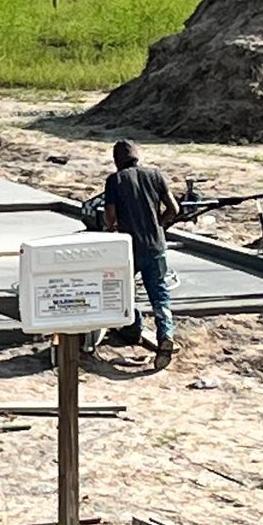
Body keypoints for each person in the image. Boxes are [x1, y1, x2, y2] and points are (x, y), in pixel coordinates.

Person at [103, 137, 181, 368]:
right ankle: (165, 334)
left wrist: (110, 228)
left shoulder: (115, 180)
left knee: (123, 290)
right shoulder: (155, 175)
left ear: (117, 161)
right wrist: (160, 225)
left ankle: (134, 327)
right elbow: (174, 209)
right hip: (156, 245)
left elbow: (110, 216)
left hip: (129, 248)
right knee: (160, 294)